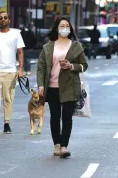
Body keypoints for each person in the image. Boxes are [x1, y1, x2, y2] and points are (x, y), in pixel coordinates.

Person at [36, 17, 88, 158]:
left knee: (67, 117)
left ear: (70, 29)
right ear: (57, 28)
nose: (64, 28)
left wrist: (71, 66)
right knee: (55, 117)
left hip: (70, 86)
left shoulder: (76, 46)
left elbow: (84, 65)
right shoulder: (48, 47)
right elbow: (41, 67)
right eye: (61, 26)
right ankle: (57, 144)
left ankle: (64, 146)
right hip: (52, 87)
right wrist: (40, 84)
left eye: (67, 26)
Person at [0, 11, 25, 134]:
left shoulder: (16, 34)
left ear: (9, 20)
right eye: (0, 18)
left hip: (11, 72)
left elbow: (20, 52)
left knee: (8, 98)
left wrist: (20, 69)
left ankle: (7, 123)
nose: (2, 19)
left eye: (5, 17)